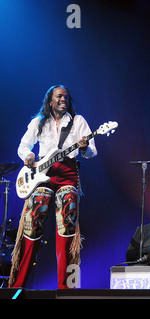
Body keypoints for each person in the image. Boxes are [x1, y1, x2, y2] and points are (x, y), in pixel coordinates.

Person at [9, 85, 97, 289]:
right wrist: (28, 156)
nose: (63, 99)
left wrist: (85, 147)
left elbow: (92, 152)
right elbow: (23, 146)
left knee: (67, 226)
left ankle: (65, 288)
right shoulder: (39, 122)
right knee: (31, 227)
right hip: (42, 174)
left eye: (66, 97)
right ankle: (17, 286)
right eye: (59, 96)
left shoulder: (78, 121)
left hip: (67, 174)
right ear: (50, 101)